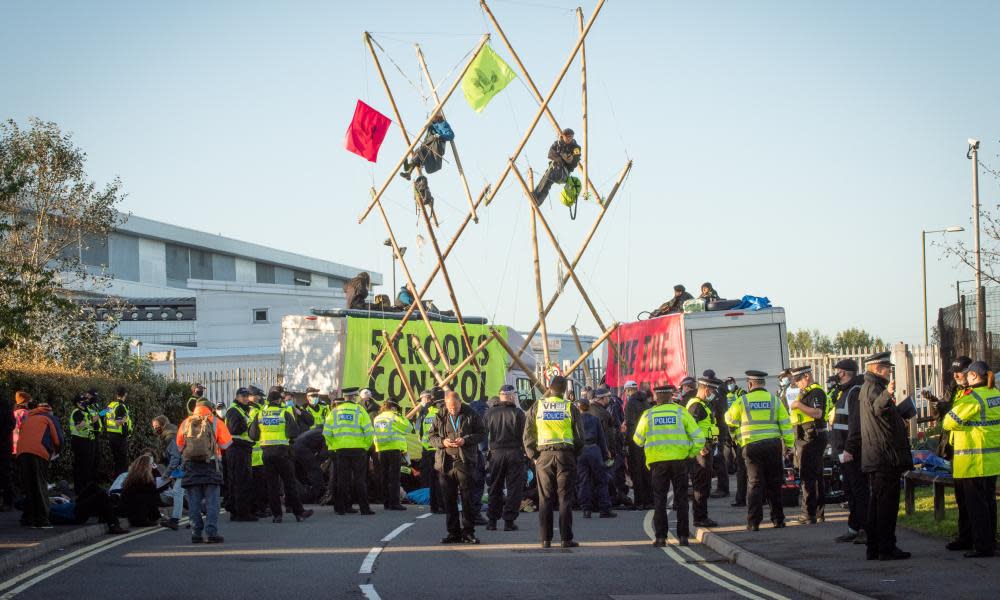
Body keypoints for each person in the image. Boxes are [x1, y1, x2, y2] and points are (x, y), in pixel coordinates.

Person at [942, 360, 1000, 558]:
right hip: (992, 460)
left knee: (975, 507)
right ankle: (990, 542)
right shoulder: (995, 394)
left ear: (974, 376)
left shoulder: (972, 397)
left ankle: (982, 546)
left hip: (973, 460)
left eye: (967, 374)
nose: (964, 377)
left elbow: (949, 422)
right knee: (989, 503)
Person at [634, 383, 704, 546]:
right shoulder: (681, 412)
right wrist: (690, 453)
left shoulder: (648, 415)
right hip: (680, 461)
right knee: (681, 499)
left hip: (658, 463)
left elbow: (637, 440)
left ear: (657, 397)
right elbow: (699, 439)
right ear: (671, 396)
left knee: (659, 500)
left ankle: (660, 537)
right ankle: (683, 537)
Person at [859, 351, 911, 561]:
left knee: (878, 504)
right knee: (886, 507)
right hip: (884, 456)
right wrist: (887, 394)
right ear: (877, 369)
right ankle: (885, 548)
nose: (889, 371)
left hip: (879, 455)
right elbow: (878, 408)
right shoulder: (874, 387)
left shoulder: (870, 386)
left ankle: (875, 547)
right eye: (886, 367)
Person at [725, 370, 793, 531]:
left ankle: (753, 522)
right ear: (763, 384)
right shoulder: (774, 400)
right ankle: (778, 520)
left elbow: (729, 419)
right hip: (772, 445)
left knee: (754, 484)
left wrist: (736, 436)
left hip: (751, 446)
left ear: (750, 384)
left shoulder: (743, 401)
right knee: (774, 483)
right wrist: (789, 445)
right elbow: (786, 424)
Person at [523, 376, 586, 548]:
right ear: (565, 390)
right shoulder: (570, 407)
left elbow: (528, 433)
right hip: (565, 455)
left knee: (545, 498)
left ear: (549, 388)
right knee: (565, 498)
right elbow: (580, 436)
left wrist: (533, 456)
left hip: (543, 456)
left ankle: (545, 539)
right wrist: (575, 455)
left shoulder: (538, 406)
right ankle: (566, 539)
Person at [249, 387, 314, 524]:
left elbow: (253, 435)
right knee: (289, 483)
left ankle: (277, 515)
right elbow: (294, 432)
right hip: (282, 453)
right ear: (279, 400)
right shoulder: (283, 413)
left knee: (272, 485)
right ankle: (299, 512)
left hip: (266, 453)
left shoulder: (260, 414)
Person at [429, 391, 485, 544]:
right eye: (450, 407)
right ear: (446, 404)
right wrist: (442, 442)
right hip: (445, 462)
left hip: (464, 460)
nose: (453, 410)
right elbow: (431, 437)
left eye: (455, 407)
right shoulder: (440, 415)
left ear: (460, 402)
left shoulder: (471, 414)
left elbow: (482, 433)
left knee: (467, 498)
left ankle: (468, 532)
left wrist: (466, 440)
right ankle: (453, 532)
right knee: (449, 500)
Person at [176, 400, 233, 544]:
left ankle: (196, 533)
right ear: (210, 408)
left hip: (191, 466)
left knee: (194, 502)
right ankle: (211, 533)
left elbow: (179, 446)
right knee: (212, 503)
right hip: (211, 465)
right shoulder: (215, 422)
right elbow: (226, 444)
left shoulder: (185, 423)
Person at [828, 359, 868, 544]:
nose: (836, 375)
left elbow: (855, 424)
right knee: (850, 492)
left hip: (851, 452)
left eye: (837, 372)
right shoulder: (844, 392)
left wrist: (849, 449)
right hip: (842, 452)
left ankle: (865, 529)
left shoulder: (854, 392)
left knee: (860, 492)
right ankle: (854, 528)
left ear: (843, 373)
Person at [788, 366, 829, 524]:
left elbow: (817, 413)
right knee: (815, 475)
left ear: (807, 376)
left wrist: (798, 405)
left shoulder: (815, 392)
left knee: (808, 476)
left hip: (812, 438)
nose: (797, 383)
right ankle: (817, 513)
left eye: (798, 380)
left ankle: (808, 514)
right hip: (808, 437)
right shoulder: (806, 392)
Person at [323, 387, 374, 515]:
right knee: (360, 480)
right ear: (354, 397)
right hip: (358, 450)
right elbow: (369, 432)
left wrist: (334, 446)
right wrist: (365, 447)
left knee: (342, 480)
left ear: (345, 397)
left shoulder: (334, 412)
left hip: (340, 450)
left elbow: (327, 433)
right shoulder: (360, 410)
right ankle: (364, 509)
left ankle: (341, 508)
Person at [15, 396, 63, 528]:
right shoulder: (49, 418)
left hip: (21, 453)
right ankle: (42, 520)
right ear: (49, 410)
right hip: (38, 452)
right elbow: (58, 439)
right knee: (40, 486)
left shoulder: (28, 418)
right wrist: (56, 452)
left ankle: (29, 519)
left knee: (29, 487)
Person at [484, 385, 527, 531]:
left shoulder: (490, 413)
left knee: (495, 486)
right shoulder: (519, 413)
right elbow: (525, 436)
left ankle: (492, 521)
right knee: (514, 487)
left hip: (496, 453)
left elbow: (483, 434)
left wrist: (485, 451)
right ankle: (509, 520)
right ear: (511, 396)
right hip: (515, 453)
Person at [687, 376, 721, 528]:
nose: (713, 393)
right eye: (712, 390)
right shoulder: (696, 406)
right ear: (706, 389)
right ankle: (700, 518)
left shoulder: (703, 404)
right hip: (701, 450)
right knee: (700, 484)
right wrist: (700, 447)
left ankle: (702, 516)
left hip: (706, 447)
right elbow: (690, 428)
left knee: (704, 483)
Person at [575, 394, 615, 519]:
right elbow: (601, 438)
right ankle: (604, 509)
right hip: (594, 450)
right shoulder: (594, 420)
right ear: (588, 407)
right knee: (601, 480)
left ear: (579, 408)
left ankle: (586, 509)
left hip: (581, 451)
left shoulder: (575, 421)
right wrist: (605, 453)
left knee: (583, 481)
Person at [224, 388, 257, 522]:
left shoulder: (242, 410)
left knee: (240, 481)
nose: (245, 398)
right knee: (241, 481)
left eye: (247, 396)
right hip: (237, 448)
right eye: (243, 396)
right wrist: (247, 424)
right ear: (237, 397)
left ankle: (237, 511)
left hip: (242, 448)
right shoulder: (234, 410)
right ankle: (241, 513)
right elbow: (234, 428)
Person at [372, 400, 412, 511]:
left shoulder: (377, 418)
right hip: (394, 448)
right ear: (393, 408)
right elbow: (408, 428)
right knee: (394, 477)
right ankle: (394, 503)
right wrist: (400, 416)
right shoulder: (394, 416)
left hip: (381, 449)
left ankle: (386, 502)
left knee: (384, 476)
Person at [412, 389, 444, 513]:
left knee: (431, 478)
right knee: (440, 479)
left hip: (427, 450)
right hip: (438, 450)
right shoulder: (440, 413)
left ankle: (433, 506)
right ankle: (441, 505)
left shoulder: (426, 413)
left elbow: (418, 430)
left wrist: (424, 444)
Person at [151, 415, 185, 530]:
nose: (155, 429)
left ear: (163, 424)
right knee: (186, 493)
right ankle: (200, 515)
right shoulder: (171, 433)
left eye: (157, 426)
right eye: (154, 427)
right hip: (184, 467)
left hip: (183, 468)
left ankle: (174, 520)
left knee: (177, 492)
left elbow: (175, 458)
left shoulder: (170, 437)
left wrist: (166, 474)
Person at [532, 128, 581, 205]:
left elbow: (575, 162)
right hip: (555, 169)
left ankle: (536, 194)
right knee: (547, 180)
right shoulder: (557, 144)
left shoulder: (576, 148)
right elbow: (550, 154)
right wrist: (561, 158)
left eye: (570, 137)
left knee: (549, 176)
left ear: (572, 137)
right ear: (562, 136)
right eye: (566, 136)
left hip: (564, 173)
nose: (568, 138)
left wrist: (570, 160)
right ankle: (538, 199)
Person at [623, 381, 652, 510]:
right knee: (647, 471)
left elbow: (630, 424)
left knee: (636, 471)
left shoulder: (631, 404)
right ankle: (649, 500)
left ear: (629, 390)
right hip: (648, 440)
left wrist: (627, 441)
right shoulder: (645, 402)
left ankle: (639, 501)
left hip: (635, 442)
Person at [121, 454, 171, 527]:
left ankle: (156, 516)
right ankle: (152, 517)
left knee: (149, 495)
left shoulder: (133, 477)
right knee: (150, 495)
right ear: (146, 466)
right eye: (151, 464)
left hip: (128, 508)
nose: (152, 466)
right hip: (136, 512)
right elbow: (153, 493)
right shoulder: (144, 479)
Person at [400, 114, 451, 180]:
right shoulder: (431, 126)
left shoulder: (442, 124)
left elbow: (450, 135)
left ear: (435, 117)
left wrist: (439, 136)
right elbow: (427, 139)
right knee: (418, 151)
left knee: (422, 150)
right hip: (428, 147)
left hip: (436, 148)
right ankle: (409, 171)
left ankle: (409, 168)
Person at [723, 377, 748, 508]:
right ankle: (742, 498)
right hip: (738, 436)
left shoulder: (741, 395)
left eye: (730, 383)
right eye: (727, 384)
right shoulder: (726, 395)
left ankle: (741, 499)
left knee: (744, 471)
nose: (729, 386)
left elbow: (731, 418)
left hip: (742, 437)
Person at [69, 392, 100, 495]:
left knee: (88, 467)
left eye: (85, 400)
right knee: (81, 467)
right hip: (80, 442)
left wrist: (101, 413)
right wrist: (88, 421)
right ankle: (80, 490)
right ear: (78, 403)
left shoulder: (85, 411)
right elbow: (79, 426)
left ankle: (86, 489)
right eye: (82, 401)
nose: (85, 402)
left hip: (88, 441)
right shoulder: (77, 412)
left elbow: (93, 419)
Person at [291, 425, 330, 504]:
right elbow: (323, 453)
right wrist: (320, 462)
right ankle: (319, 494)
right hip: (302, 448)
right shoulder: (325, 433)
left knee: (303, 471)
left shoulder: (315, 432)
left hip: (295, 447)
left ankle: (306, 490)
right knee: (315, 470)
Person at [105, 386, 132, 476]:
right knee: (122, 460)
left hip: (111, 436)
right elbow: (118, 422)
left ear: (117, 395)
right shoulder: (121, 406)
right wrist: (124, 419)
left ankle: (116, 479)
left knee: (117, 459)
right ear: (125, 394)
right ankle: (122, 481)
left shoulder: (111, 405)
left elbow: (101, 414)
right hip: (119, 437)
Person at [0, 389, 15, 511]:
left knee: (5, 473)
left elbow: (11, 424)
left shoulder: (4, 405)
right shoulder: (6, 404)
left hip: (3, 444)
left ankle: (8, 501)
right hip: (5, 443)